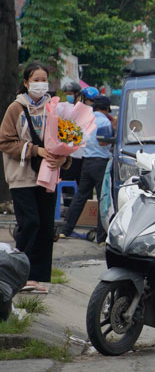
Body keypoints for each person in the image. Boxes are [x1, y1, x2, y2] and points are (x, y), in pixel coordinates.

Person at [0, 62, 71, 294]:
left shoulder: (56, 109)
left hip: (49, 176)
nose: (41, 84)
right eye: (36, 80)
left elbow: (68, 142)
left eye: (44, 79)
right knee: (30, 222)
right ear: (26, 82)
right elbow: (5, 141)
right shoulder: (16, 109)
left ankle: (35, 277)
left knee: (44, 227)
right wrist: (35, 150)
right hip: (22, 176)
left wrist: (63, 160)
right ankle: (15, 271)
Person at [58, 96, 115, 242]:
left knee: (79, 197)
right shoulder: (104, 121)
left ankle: (66, 230)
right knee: (103, 200)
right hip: (100, 164)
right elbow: (103, 142)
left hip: (86, 162)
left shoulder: (87, 120)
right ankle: (101, 238)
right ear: (107, 108)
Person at [59, 82, 86, 182]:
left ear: (77, 95)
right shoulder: (60, 109)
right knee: (65, 182)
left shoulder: (82, 111)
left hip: (78, 154)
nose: (68, 96)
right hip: (65, 153)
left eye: (70, 93)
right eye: (67, 93)